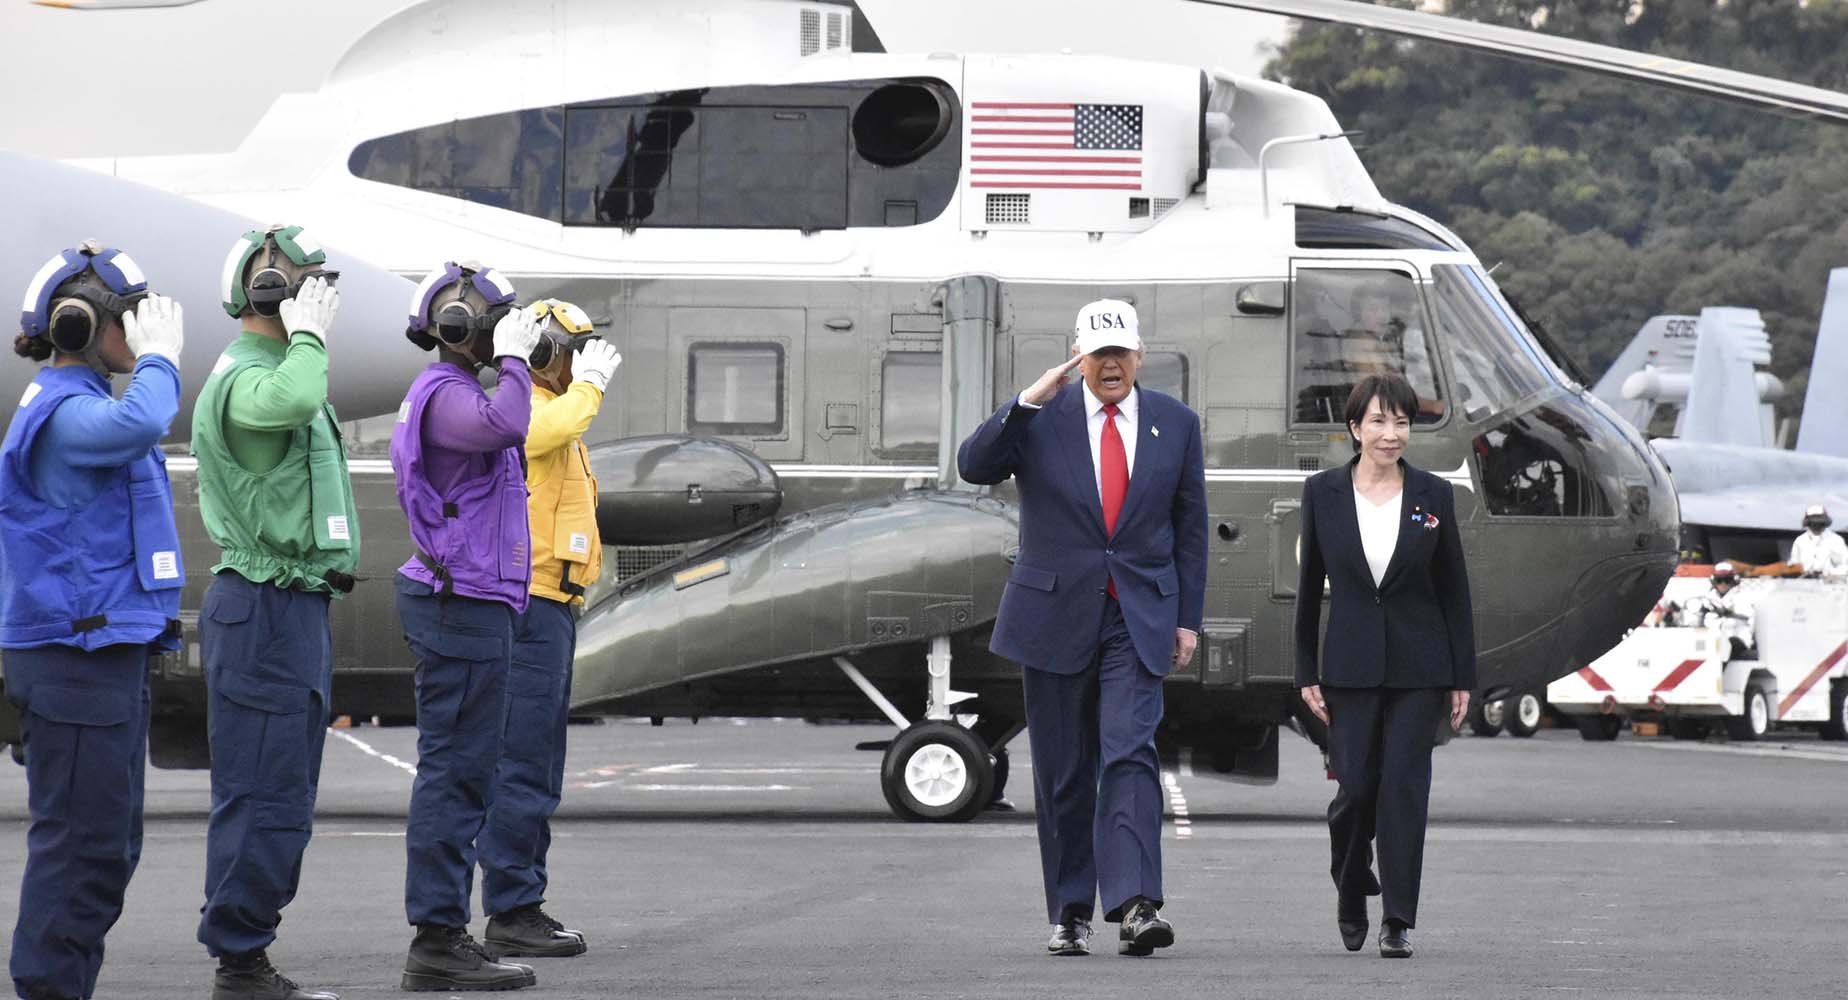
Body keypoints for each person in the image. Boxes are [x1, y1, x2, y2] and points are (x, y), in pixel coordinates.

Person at [956, 298, 1207, 958]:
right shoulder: (1040, 419)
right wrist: (1025, 402)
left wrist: (1187, 619)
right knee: (1064, 772)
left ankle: (1136, 905)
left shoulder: (1177, 424)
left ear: (1139, 355)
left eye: (1121, 352)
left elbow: (1190, 529)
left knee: (1130, 751)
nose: (1111, 364)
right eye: (1099, 354)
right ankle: (1070, 911)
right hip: (1053, 614)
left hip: (1137, 615)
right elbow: (973, 465)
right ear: (1079, 356)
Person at [1, 242, 186, 1000]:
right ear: (78, 324)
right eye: (129, 319)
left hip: (102, 652)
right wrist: (161, 358)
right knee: (81, 850)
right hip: (74, 660)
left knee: (105, 849)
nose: (140, 333)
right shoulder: (67, 413)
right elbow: (146, 418)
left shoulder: (82, 404)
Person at [190, 225, 357, 1000]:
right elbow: (296, 398)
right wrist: (309, 337)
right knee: (264, 793)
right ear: (268, 290)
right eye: (308, 283)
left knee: (282, 792)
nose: (321, 298)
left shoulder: (275, 366)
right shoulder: (250, 375)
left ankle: (247, 954)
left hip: (289, 607)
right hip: (262, 609)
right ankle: (240, 961)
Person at [391, 260, 544, 992]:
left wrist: (511, 359)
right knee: (454, 774)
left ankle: (444, 933)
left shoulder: (457, 392)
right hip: (459, 604)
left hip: (476, 600)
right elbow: (509, 422)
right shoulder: (449, 396)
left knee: (467, 772)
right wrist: (514, 360)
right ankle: (436, 939)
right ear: (460, 328)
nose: (507, 338)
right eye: (498, 325)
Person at [1294, 372, 1475, 960]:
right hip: (1349, 666)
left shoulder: (1433, 494)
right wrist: (1305, 671)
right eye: (1378, 421)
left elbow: (1454, 591)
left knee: (1403, 788)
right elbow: (1308, 589)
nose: (1391, 433)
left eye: (1401, 422)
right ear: (1355, 428)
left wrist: (1462, 676)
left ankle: (1397, 919)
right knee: (1355, 789)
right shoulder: (1322, 492)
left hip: (1421, 667)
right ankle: (1350, 880)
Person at [477, 300, 620, 960]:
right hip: (527, 606)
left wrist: (581, 384)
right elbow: (544, 431)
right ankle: (512, 908)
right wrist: (590, 386)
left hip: (552, 606)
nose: (582, 364)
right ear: (542, 353)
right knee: (523, 763)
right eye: (573, 352)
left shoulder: (555, 410)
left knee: (540, 764)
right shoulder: (524, 408)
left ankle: (523, 901)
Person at [1671, 562, 1756, 660]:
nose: (1723, 584)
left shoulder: (1742, 597)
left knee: (1728, 644)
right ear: (1714, 581)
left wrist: (1730, 613)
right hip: (1712, 642)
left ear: (1733, 580)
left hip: (1737, 641)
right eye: (1719, 580)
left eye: (1727, 580)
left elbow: (1750, 617)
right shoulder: (1707, 599)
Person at [1789, 505, 1847, 580]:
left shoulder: (1836, 540)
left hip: (1829, 582)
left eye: (1819, 521)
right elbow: (1794, 563)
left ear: (1825, 521)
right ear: (1807, 522)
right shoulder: (1800, 540)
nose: (1816, 524)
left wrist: (1828, 572)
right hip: (1803, 582)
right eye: (1813, 521)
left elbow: (1845, 565)